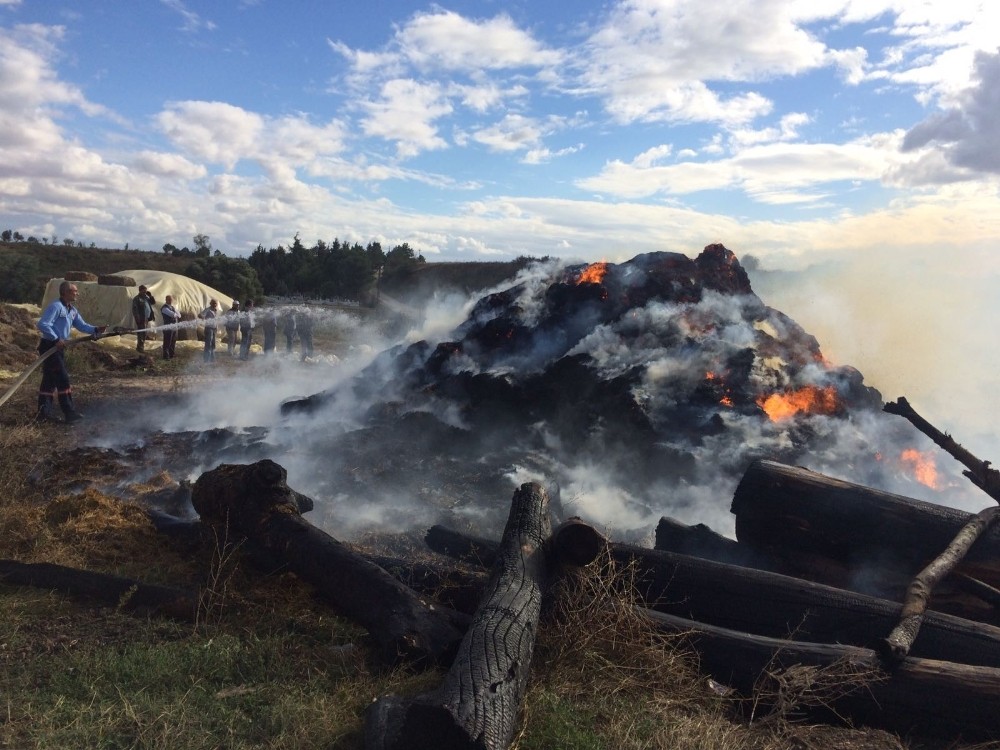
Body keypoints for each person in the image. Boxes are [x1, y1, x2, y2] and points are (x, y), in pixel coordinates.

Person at [35, 281, 107, 423]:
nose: (77, 293)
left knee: (49, 380)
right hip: (50, 346)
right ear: (66, 292)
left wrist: (96, 329)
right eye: (74, 291)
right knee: (62, 379)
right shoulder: (56, 307)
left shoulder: (72, 310)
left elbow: (82, 325)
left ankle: (43, 413)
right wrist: (56, 339)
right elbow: (42, 324)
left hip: (58, 347)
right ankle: (69, 413)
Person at [131, 285, 155, 352]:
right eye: (143, 291)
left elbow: (153, 303)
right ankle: (140, 348)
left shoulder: (146, 298)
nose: (145, 292)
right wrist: (137, 317)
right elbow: (134, 309)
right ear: (140, 290)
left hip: (146, 318)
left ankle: (141, 347)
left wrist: (150, 296)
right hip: (141, 318)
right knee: (141, 333)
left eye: (146, 291)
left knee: (144, 333)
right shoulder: (137, 298)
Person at [159, 295, 179, 360]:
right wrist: (175, 315)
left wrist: (176, 315)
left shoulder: (172, 307)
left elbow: (179, 315)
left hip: (173, 327)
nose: (170, 301)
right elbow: (172, 315)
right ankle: (166, 356)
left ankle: (171, 355)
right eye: (169, 299)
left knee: (173, 341)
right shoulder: (164, 308)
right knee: (167, 342)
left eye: (171, 300)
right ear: (166, 300)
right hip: (168, 327)